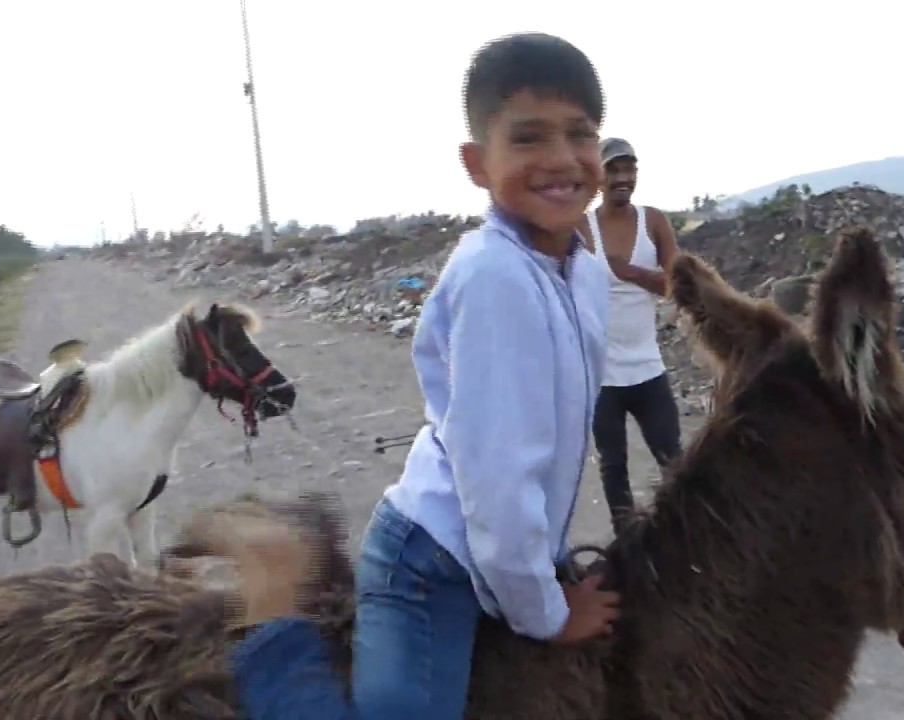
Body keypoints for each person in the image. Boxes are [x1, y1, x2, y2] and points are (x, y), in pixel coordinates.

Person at [224, 32, 622, 719]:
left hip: (503, 545)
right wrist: (546, 615)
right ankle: (271, 622)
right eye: (528, 138)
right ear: (476, 163)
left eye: (579, 134)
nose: (560, 159)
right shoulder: (494, 276)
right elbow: (498, 480)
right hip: (430, 564)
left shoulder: (581, 269)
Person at [576, 137, 683, 535]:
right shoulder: (581, 228)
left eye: (629, 169)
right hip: (602, 378)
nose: (623, 178)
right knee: (613, 466)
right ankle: (629, 550)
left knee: (674, 461)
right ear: (599, 177)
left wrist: (633, 273)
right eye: (614, 170)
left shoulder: (652, 221)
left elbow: (679, 284)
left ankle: (685, 541)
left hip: (648, 370)